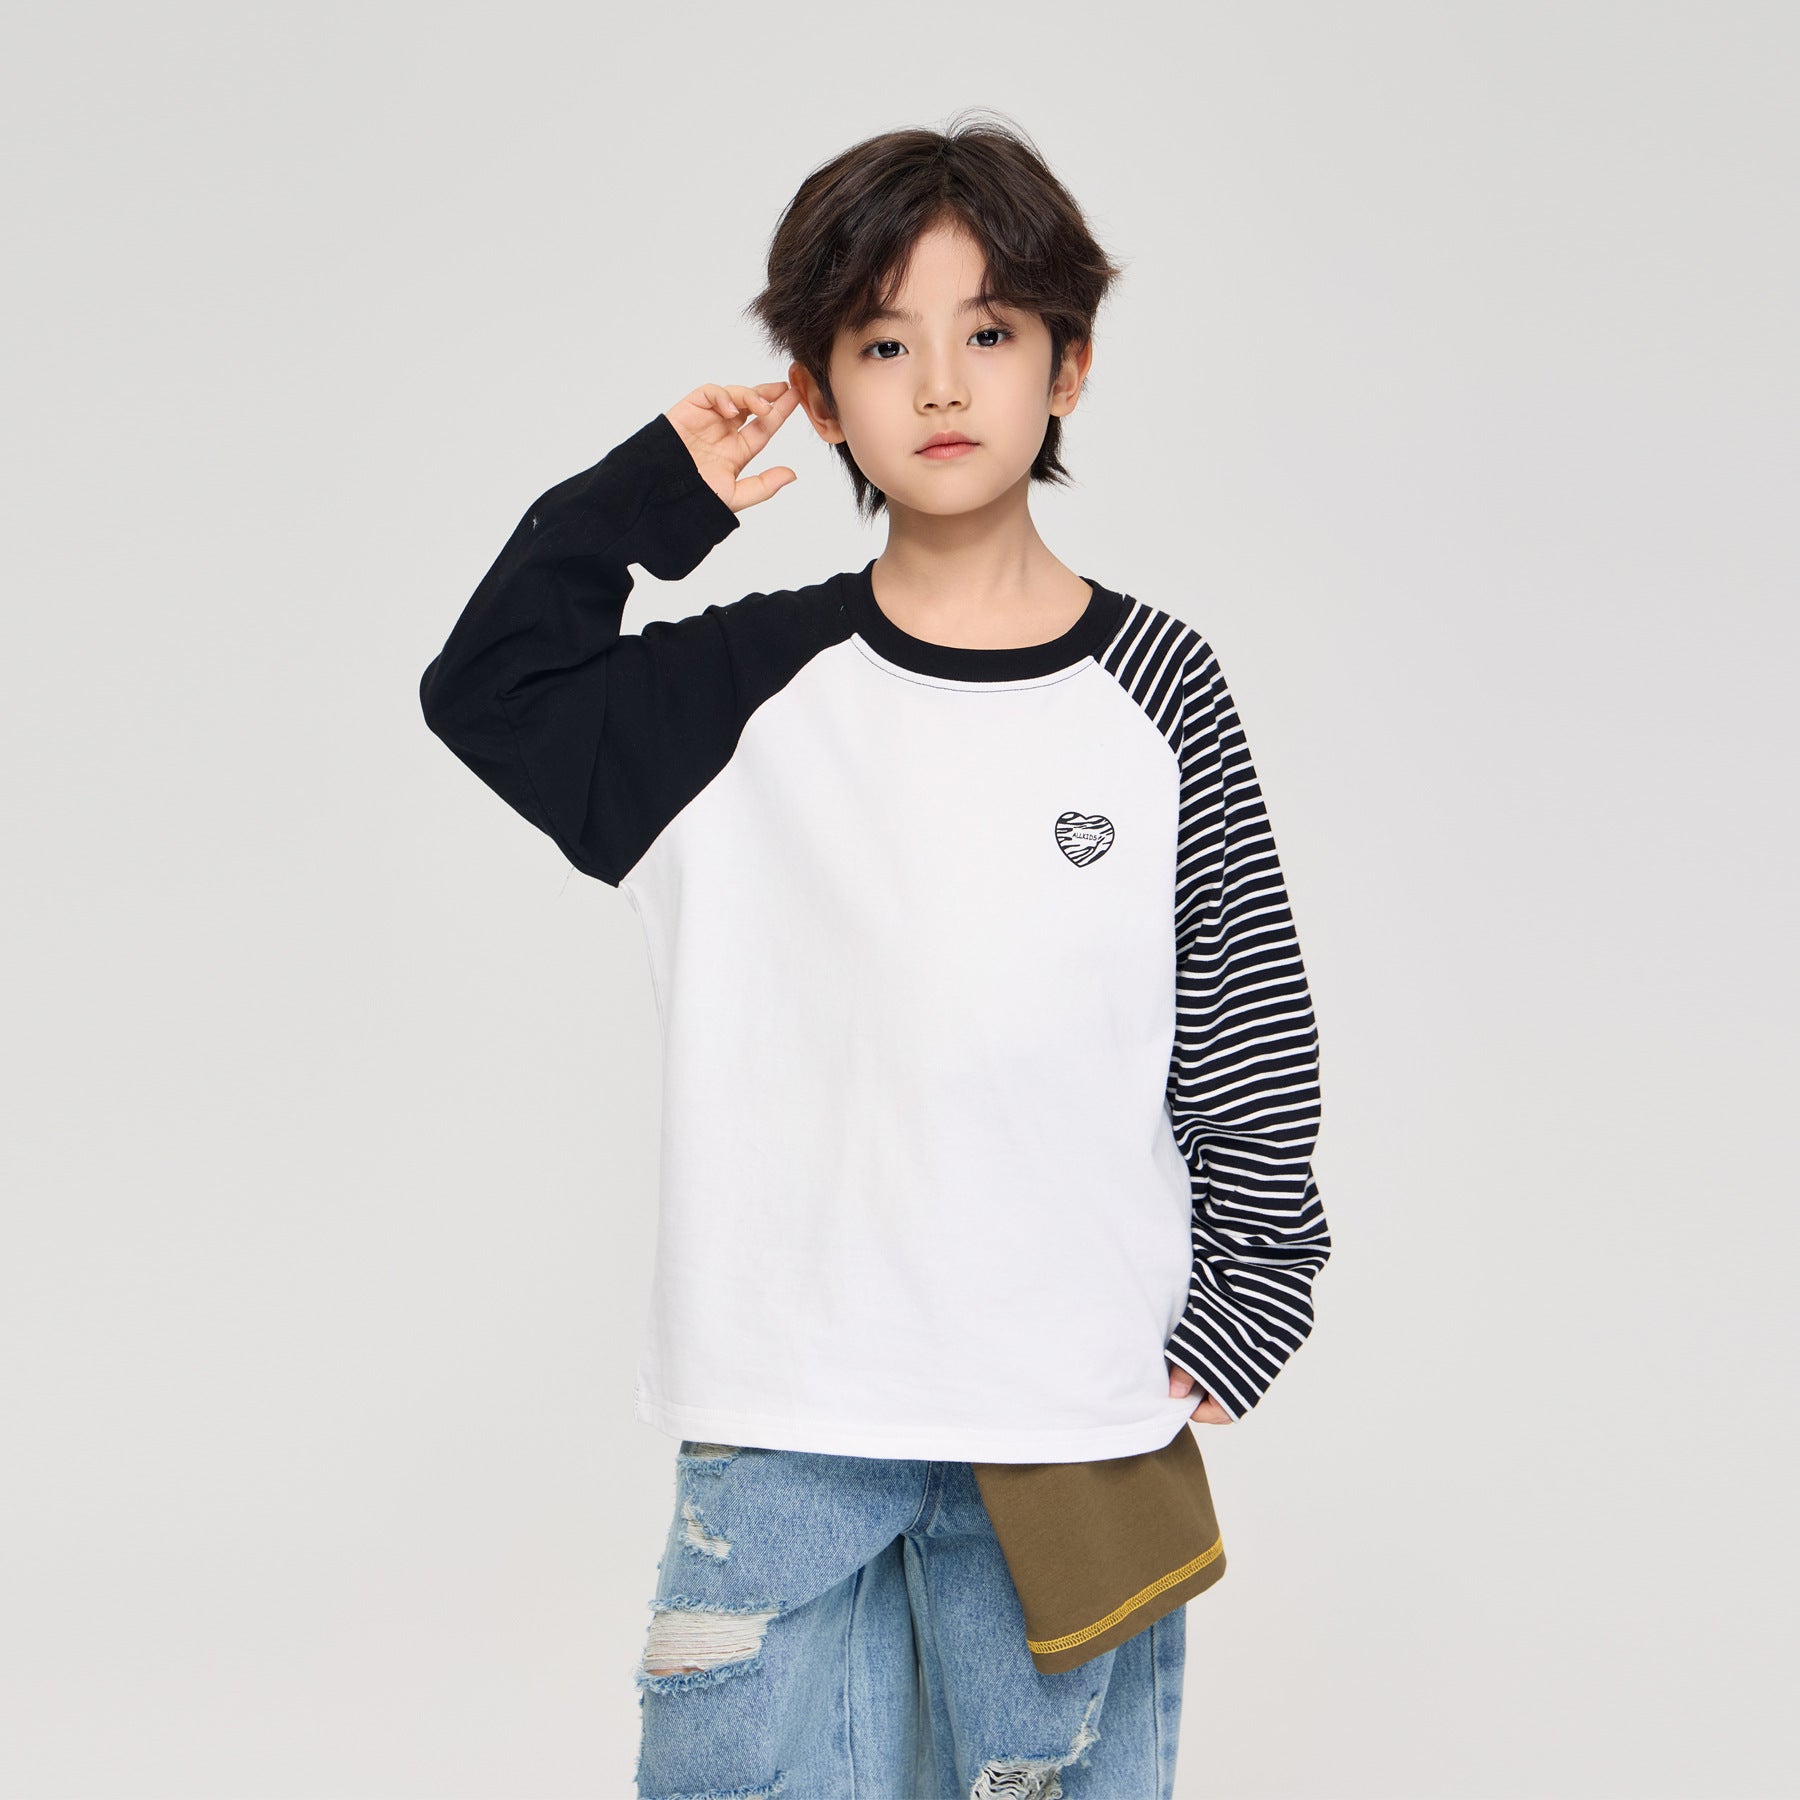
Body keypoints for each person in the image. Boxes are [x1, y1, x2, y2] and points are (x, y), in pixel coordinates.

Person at [419, 112, 1330, 1800]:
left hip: (1069, 1416)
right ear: (823, 393)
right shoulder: (738, 696)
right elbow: (490, 689)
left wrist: (1255, 1288)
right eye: (885, 344)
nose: (942, 384)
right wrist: (650, 495)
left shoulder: (1162, 691)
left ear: (1067, 364)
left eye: (990, 331)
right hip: (785, 1423)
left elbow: (1242, 1007)